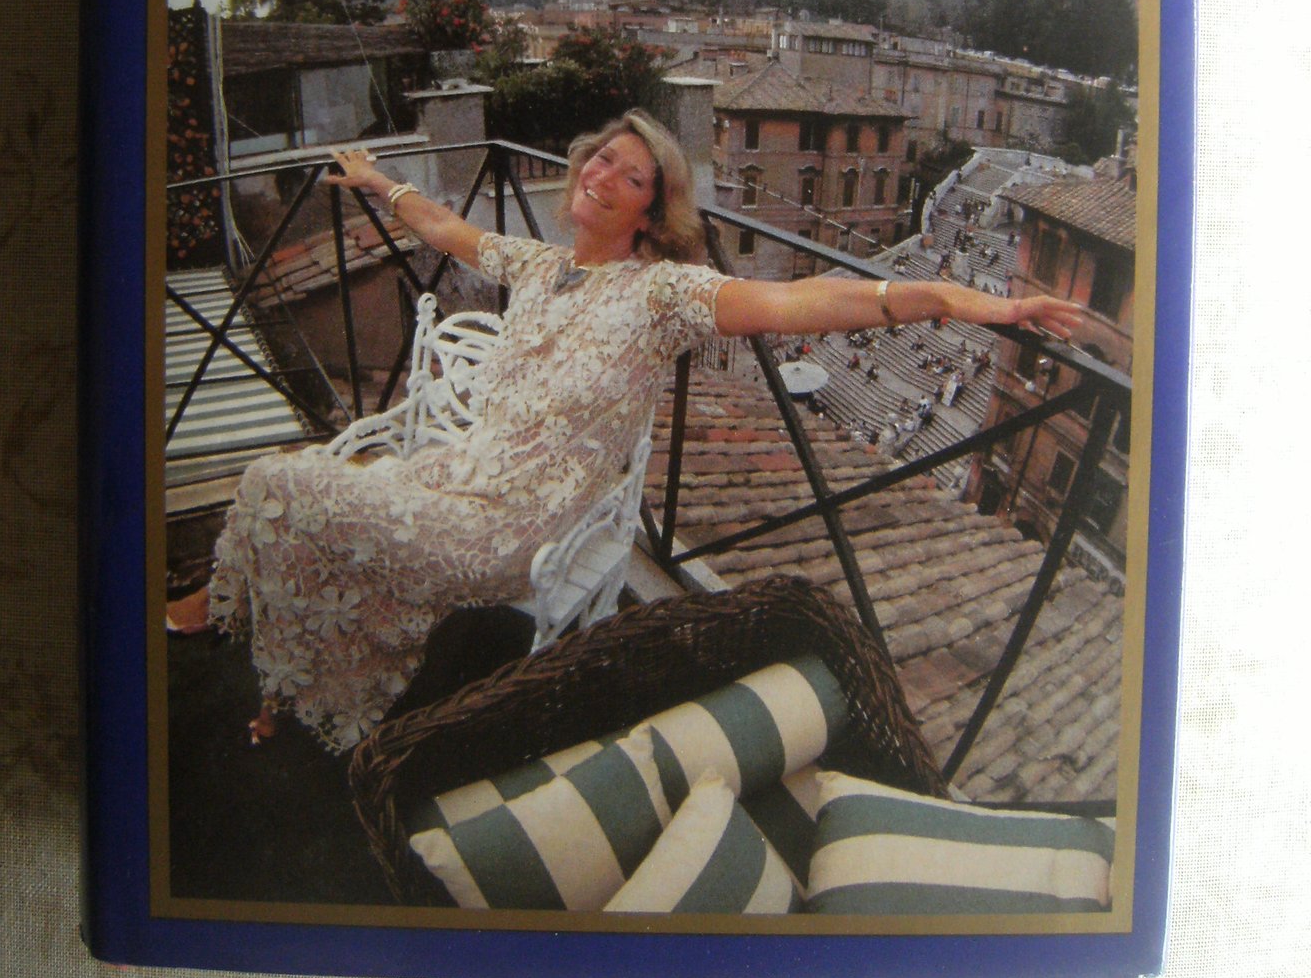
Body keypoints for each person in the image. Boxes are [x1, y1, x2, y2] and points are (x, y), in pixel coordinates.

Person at [168, 111, 1083, 751]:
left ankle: (230, 615)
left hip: (519, 525)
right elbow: (444, 228)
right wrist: (379, 183)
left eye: (630, 175)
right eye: (599, 159)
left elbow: (801, 299)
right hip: (456, 474)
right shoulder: (536, 264)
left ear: (652, 208)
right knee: (304, 498)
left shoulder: (663, 295)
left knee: (282, 485)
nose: (602, 176)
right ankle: (286, 682)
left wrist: (959, 299)